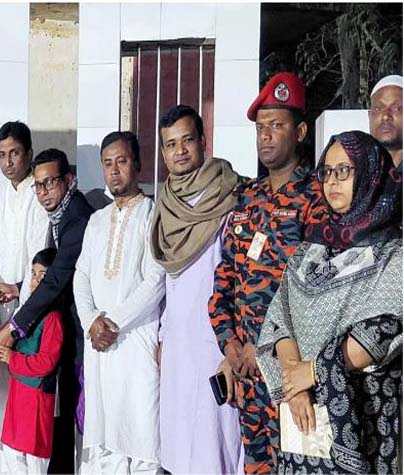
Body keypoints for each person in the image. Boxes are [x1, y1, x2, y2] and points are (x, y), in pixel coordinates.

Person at [256, 130, 402, 473]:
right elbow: (279, 320)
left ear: (370, 175)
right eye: (327, 171)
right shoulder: (310, 250)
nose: (332, 181)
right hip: (303, 421)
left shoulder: (393, 253)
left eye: (344, 171)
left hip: (367, 419)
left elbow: (386, 328)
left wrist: (312, 372)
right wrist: (294, 384)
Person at [208, 72, 328, 474]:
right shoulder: (248, 199)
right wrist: (229, 344)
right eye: (261, 127)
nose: (266, 135)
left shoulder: (317, 198)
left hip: (291, 377)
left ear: (300, 132)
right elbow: (224, 278)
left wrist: (262, 350)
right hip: (247, 378)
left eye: (277, 125)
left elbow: (318, 294)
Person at [151, 105, 244, 474]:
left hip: (216, 344)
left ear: (203, 141)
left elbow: (240, 278)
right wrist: (163, 336)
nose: (179, 151)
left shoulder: (229, 194)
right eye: (170, 144)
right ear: (163, 153)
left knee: (215, 447)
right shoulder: (165, 204)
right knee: (179, 450)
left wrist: (233, 348)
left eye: (187, 140)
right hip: (177, 346)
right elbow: (168, 283)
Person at [0, 148, 94, 473]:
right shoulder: (60, 216)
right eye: (38, 185)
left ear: (68, 180)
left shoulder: (77, 219)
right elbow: (49, 273)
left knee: (74, 422)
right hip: (65, 334)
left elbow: (56, 279)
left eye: (50, 182)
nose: (43, 192)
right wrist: (19, 286)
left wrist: (15, 327)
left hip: (81, 335)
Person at [74, 131, 164, 474]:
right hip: (98, 345)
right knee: (104, 440)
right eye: (107, 163)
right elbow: (81, 275)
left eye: (121, 161)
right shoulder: (96, 220)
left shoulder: (153, 215)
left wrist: (111, 324)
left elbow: (155, 279)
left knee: (143, 441)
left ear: (137, 165)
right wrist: (91, 321)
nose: (114, 170)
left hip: (135, 342)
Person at [0, 121, 49, 473]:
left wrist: (20, 289)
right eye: (2, 155)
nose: (8, 162)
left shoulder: (38, 196)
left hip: (28, 309)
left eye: (15, 154)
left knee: (27, 400)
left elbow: (40, 256)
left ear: (29, 154)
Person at [0, 248, 64, 475]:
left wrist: (13, 358)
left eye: (43, 276)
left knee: (34, 461)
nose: (35, 281)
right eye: (33, 274)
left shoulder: (53, 318)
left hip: (36, 398)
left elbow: (47, 362)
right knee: (12, 454)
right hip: (19, 393)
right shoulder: (28, 310)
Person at [368, 74, 402, 170]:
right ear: (369, 116)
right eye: (378, 108)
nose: (386, 116)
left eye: (396, 108)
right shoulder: (355, 170)